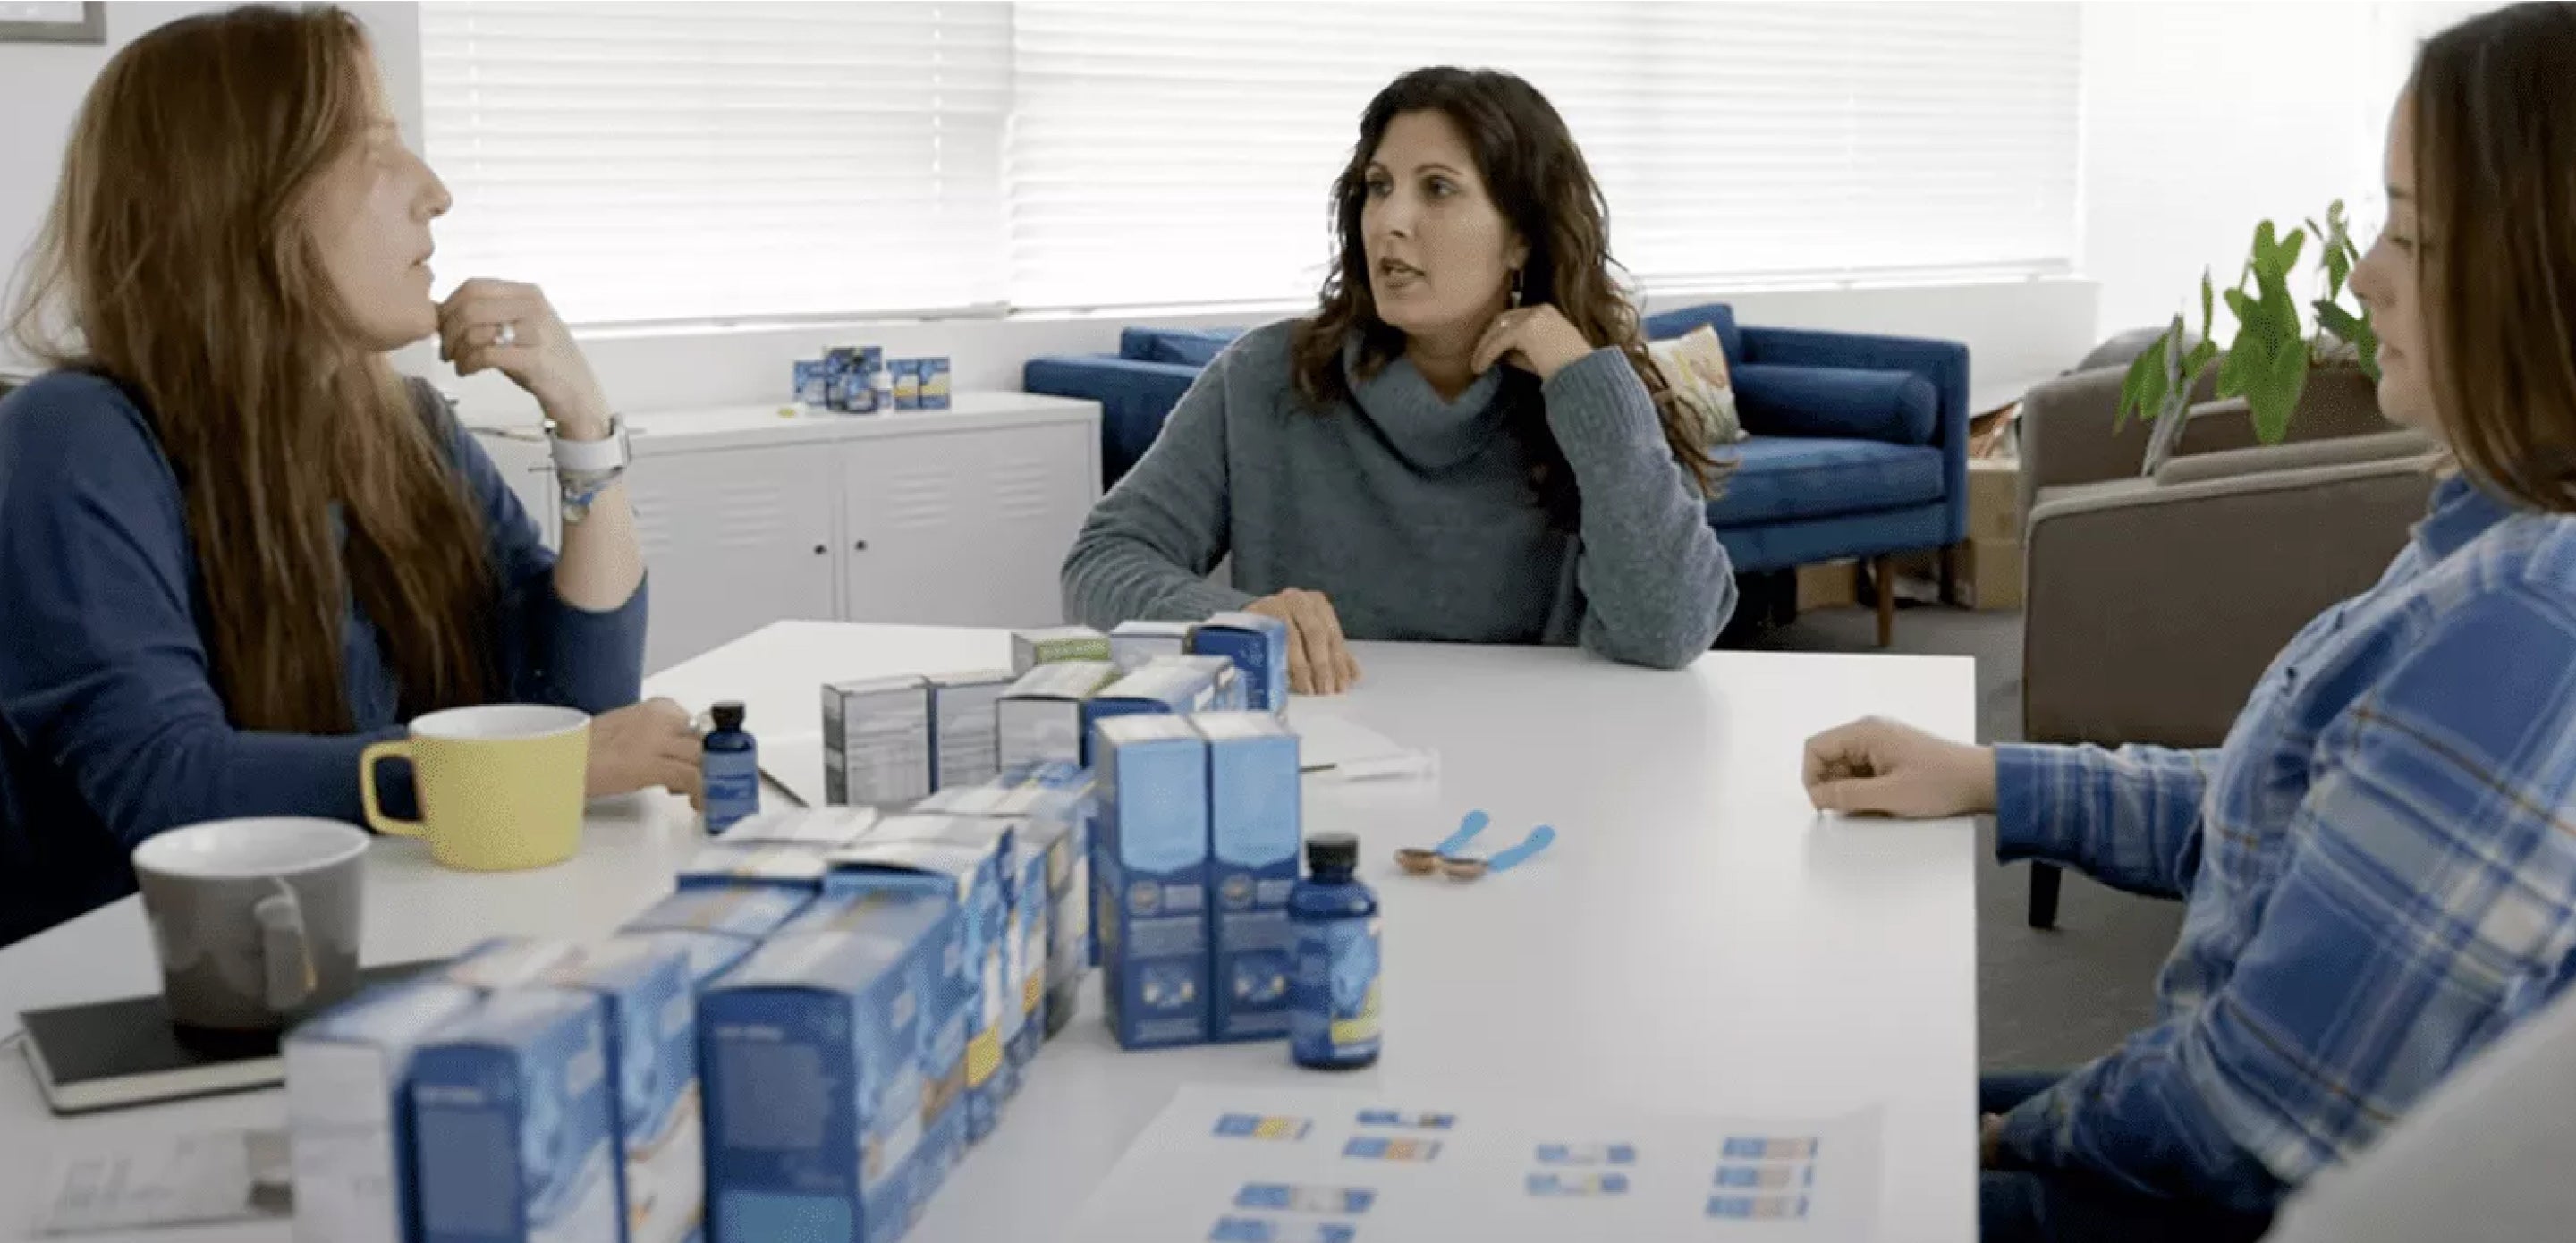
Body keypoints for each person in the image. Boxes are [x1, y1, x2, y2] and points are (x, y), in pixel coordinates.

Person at [1801, 6, 2576, 1239]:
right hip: (2209, 1138)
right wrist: (1993, 775)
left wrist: (2007, 1135)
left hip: (2224, 1193)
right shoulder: (2484, 539)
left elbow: (2249, 1115)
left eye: (2412, 235)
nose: (2368, 273)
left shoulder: (2526, 627)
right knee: (1791, 1112)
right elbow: (2294, 808)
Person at [0, 5, 701, 949]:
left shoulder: (404, 423)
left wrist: (584, 427)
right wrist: (540, 771)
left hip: (367, 935)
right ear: (244, 199)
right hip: (132, 983)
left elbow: (577, 706)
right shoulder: (74, 438)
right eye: (376, 148)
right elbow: (169, 786)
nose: (435, 192)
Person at [1058, 67, 1733, 694]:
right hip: (1324, 760)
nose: (1390, 220)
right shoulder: (1266, 375)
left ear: (1521, 236)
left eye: (1437, 188)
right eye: (1379, 187)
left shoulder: (1586, 397)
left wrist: (1584, 382)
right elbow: (1102, 563)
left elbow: (1668, 633)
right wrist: (1229, 616)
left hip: (1542, 760)